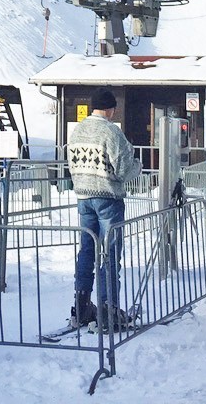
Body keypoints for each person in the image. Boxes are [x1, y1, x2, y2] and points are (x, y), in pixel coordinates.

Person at [66, 88, 141, 332]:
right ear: (110, 109)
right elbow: (123, 169)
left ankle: (82, 304)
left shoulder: (78, 130)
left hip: (83, 198)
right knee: (109, 253)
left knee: (87, 250)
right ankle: (109, 310)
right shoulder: (111, 131)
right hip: (107, 198)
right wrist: (137, 167)